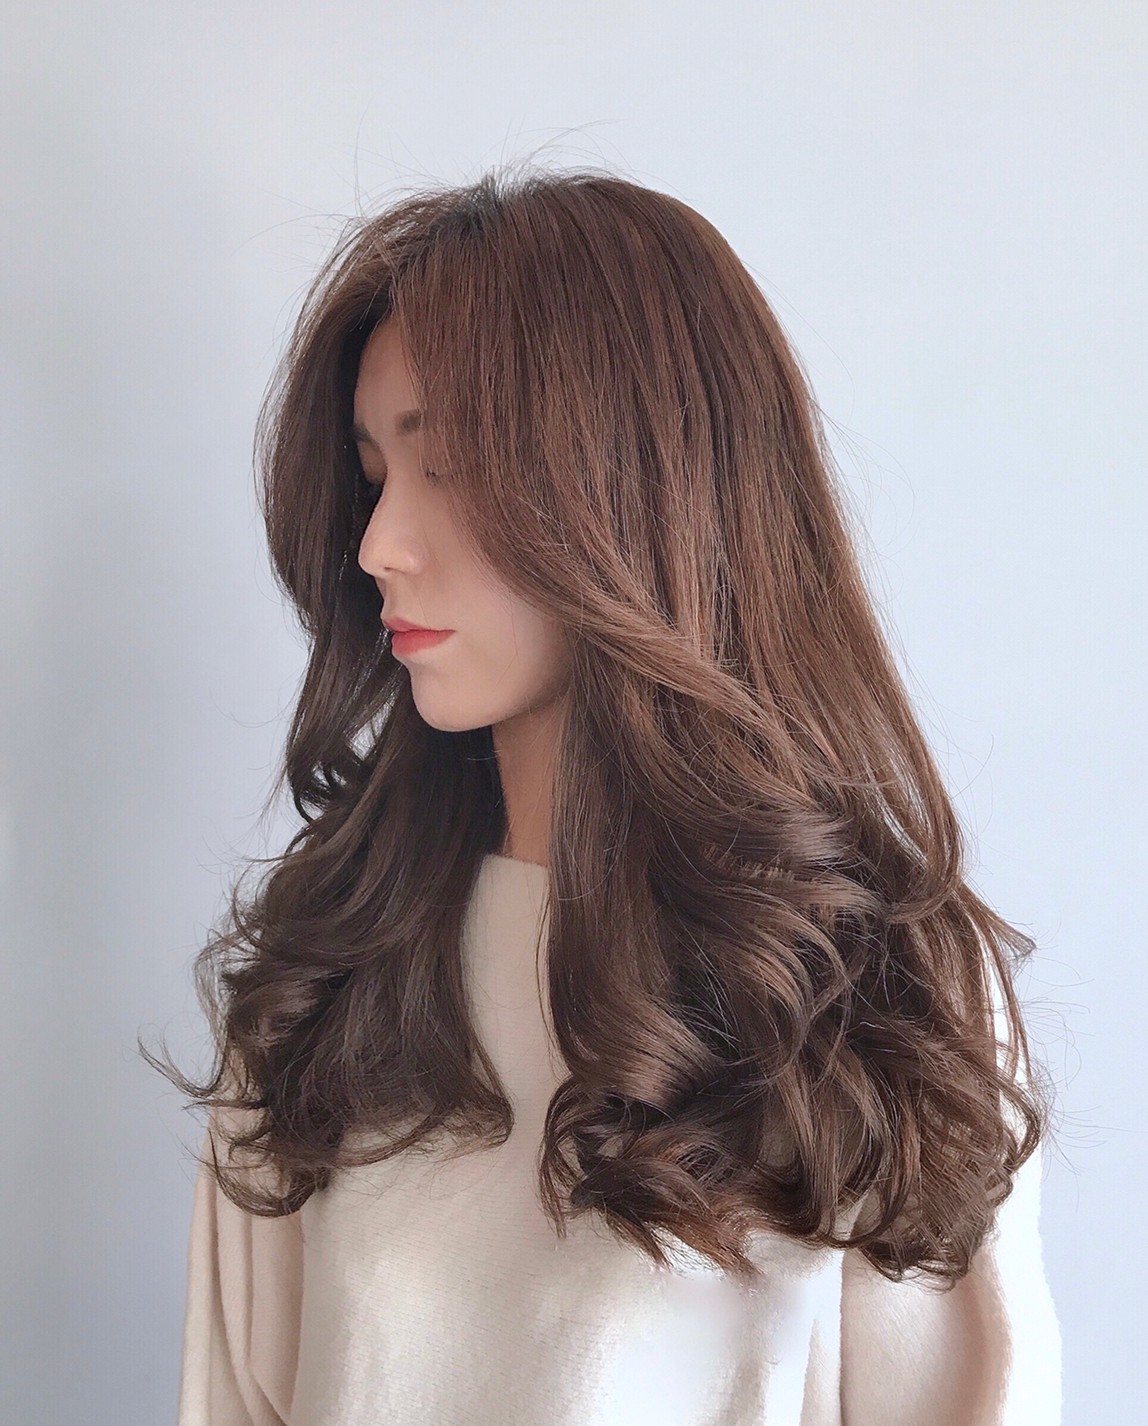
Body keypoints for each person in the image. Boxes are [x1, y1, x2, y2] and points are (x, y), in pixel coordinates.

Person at [146, 163, 1062, 1425]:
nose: (377, 544)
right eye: (372, 474)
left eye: (445, 464)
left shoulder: (864, 995)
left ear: (640, 492)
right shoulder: (328, 979)